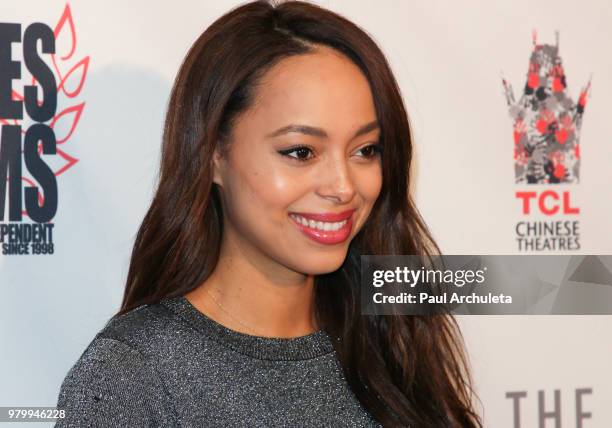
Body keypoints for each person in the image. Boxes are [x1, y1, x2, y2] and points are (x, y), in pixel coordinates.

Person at [55, 0, 482, 426]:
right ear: (213, 156)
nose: (343, 186)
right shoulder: (132, 376)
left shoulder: (393, 340)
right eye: (301, 152)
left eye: (365, 150)